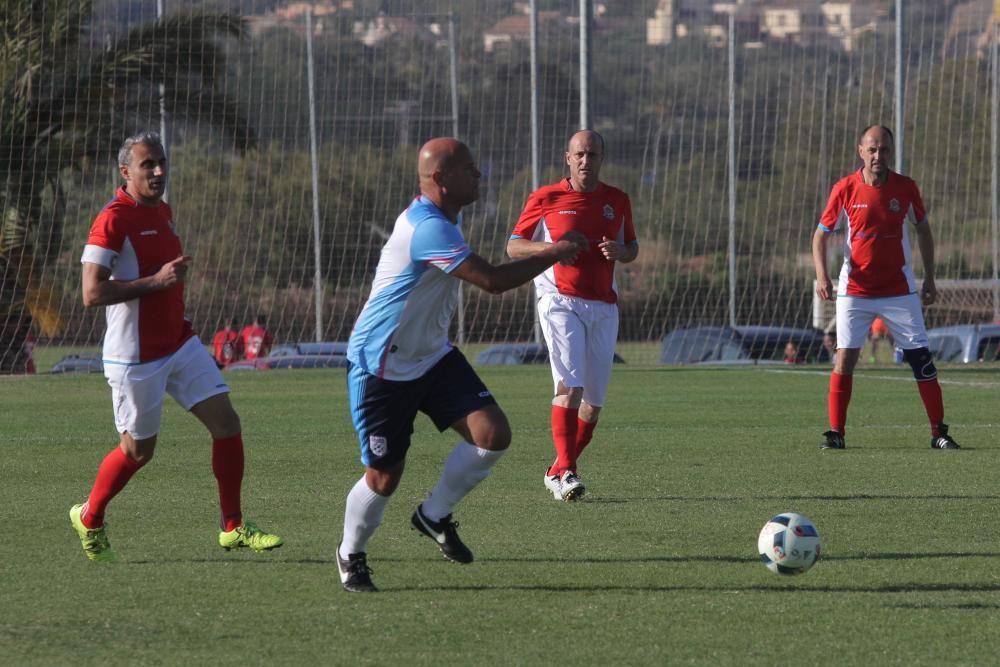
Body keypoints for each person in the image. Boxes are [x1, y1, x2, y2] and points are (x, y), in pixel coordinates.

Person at [336, 137, 586, 593]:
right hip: (382, 366)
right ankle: (351, 553)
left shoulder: (447, 214)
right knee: (385, 474)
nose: (479, 174)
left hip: (431, 355)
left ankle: (433, 515)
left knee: (492, 435)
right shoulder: (427, 227)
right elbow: (491, 280)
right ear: (439, 180)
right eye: (469, 168)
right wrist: (554, 251)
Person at [70, 131, 282, 562]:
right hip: (135, 357)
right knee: (137, 452)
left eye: (162, 162)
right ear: (125, 172)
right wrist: (157, 281)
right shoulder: (112, 219)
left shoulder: (162, 210)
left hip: (180, 343)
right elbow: (91, 293)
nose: (159, 171)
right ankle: (90, 516)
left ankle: (233, 527)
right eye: (148, 164)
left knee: (227, 424)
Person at [506, 130, 638, 502]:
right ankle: (566, 472)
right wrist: (552, 249)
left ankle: (558, 468)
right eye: (579, 154)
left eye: (592, 154)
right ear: (568, 158)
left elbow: (633, 247)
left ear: (601, 158)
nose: (586, 160)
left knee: (592, 406)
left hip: (604, 306)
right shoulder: (546, 198)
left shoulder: (618, 200)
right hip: (560, 300)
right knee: (570, 388)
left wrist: (620, 252)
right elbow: (514, 246)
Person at [812, 124, 960, 451]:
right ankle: (836, 433)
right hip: (855, 291)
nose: (879, 155)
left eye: (885, 150)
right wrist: (823, 276)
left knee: (921, 359)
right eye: (873, 149)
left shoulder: (906, 188)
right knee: (844, 359)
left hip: (899, 291)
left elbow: (923, 230)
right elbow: (820, 235)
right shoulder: (845, 188)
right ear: (860, 151)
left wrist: (931, 278)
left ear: (891, 153)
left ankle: (939, 432)